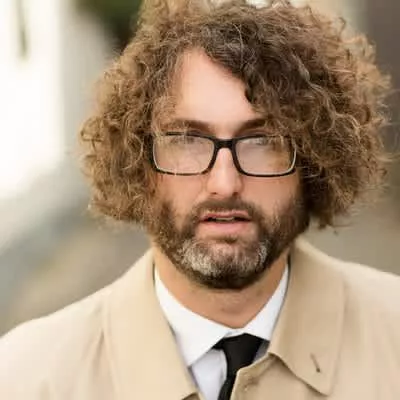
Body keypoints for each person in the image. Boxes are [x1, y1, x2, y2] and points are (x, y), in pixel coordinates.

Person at [1, 0, 399, 399]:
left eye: (262, 141)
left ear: (314, 162)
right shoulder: (28, 379)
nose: (224, 184)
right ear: (137, 162)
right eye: (187, 140)